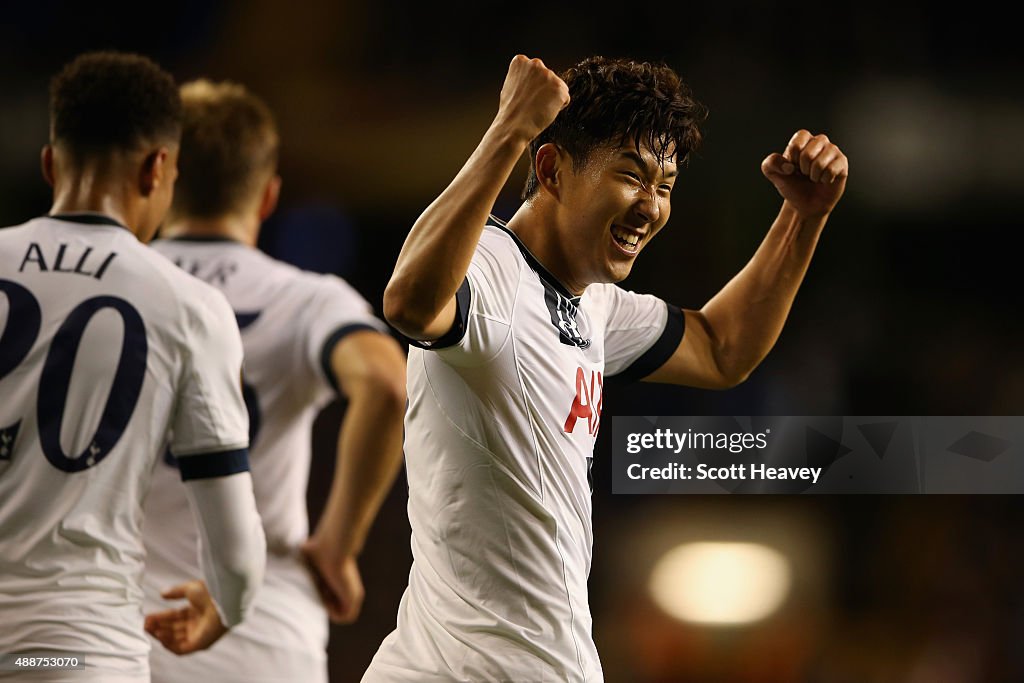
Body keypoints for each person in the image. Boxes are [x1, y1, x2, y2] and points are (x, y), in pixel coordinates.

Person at [365, 54, 849, 682]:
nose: (650, 206)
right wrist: (510, 128)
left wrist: (803, 217)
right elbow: (407, 302)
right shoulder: (489, 270)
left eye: (665, 186)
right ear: (551, 169)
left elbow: (722, 349)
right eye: (631, 175)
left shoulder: (592, 305)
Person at [0, 52, 266, 682]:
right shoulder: (188, 306)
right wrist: (228, 605)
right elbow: (234, 551)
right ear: (158, 169)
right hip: (70, 652)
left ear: (49, 164)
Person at [141, 79, 407, 683]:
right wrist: (338, 545)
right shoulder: (305, 299)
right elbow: (389, 385)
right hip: (263, 635)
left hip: (117, 635)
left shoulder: (111, 293)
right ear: (267, 196)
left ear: (159, 177)